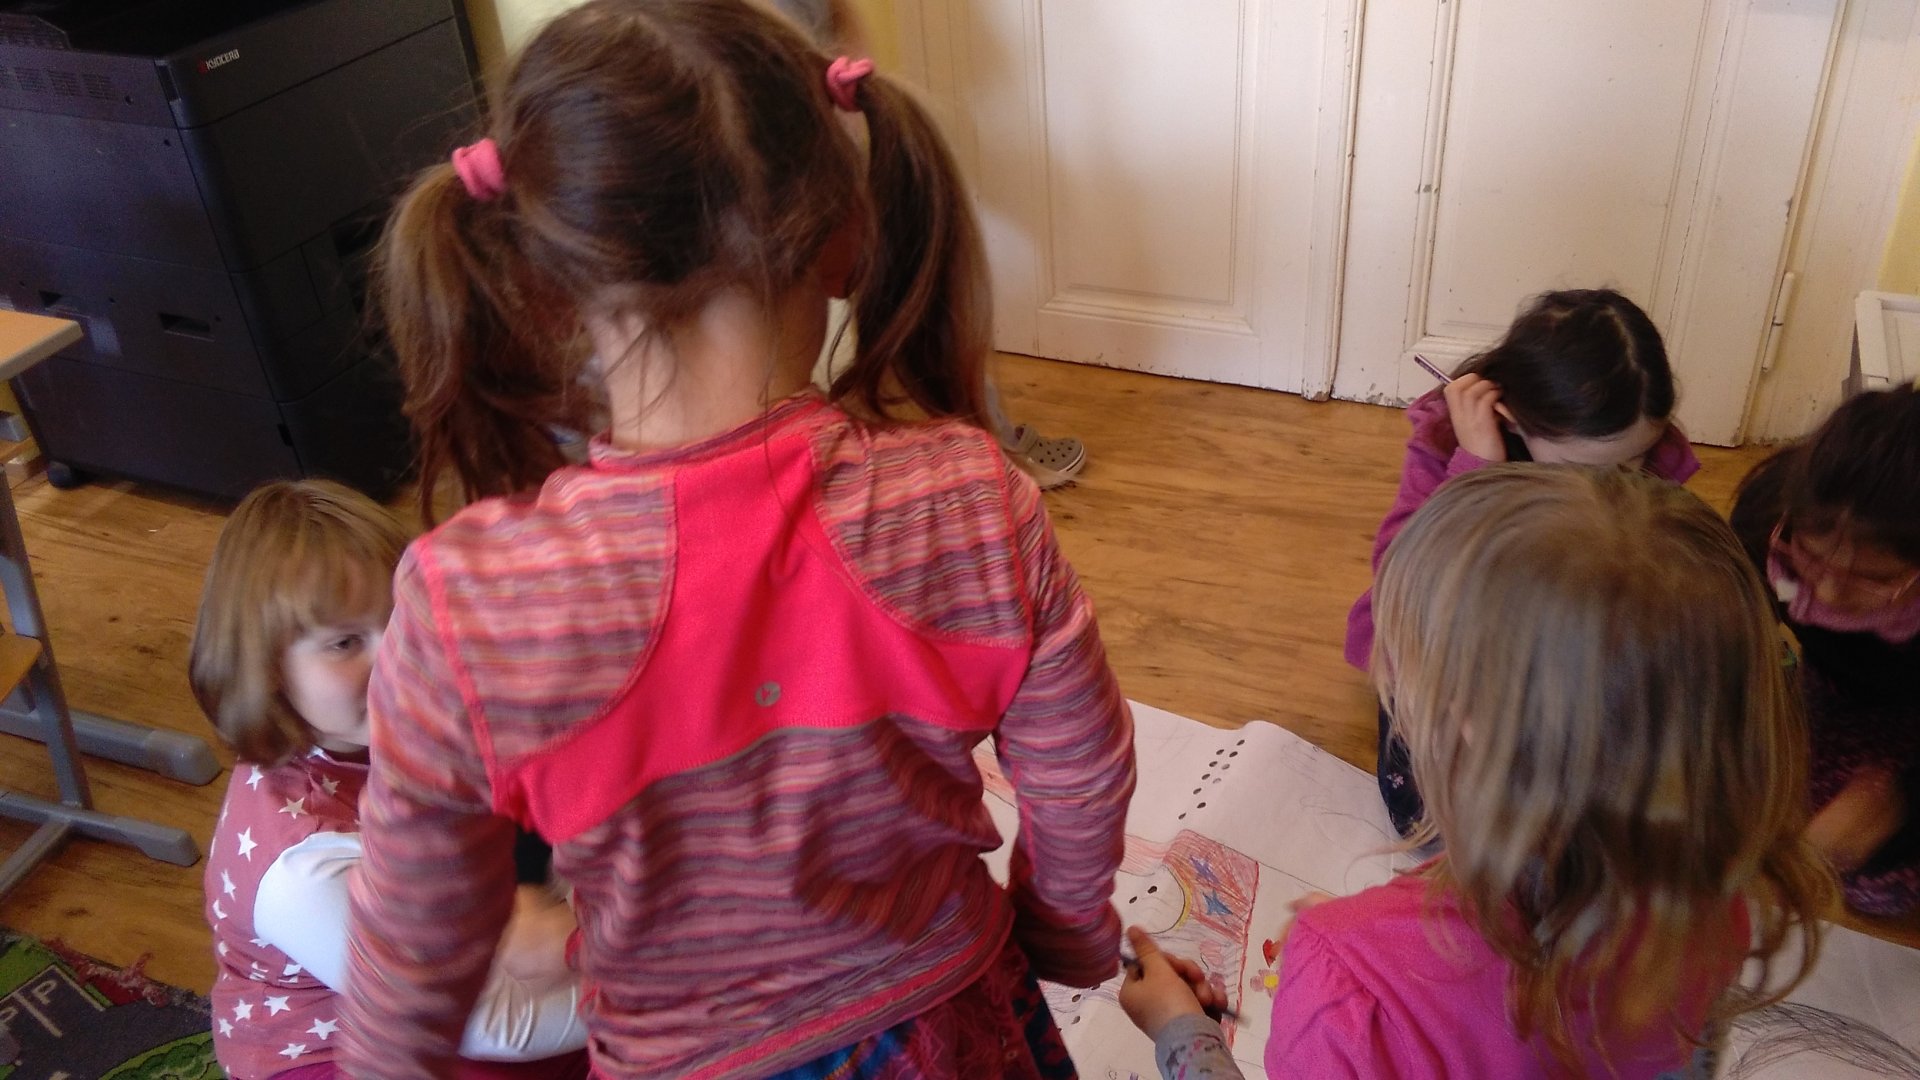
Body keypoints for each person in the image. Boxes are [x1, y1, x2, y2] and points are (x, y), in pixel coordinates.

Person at [338, 2, 1135, 1077]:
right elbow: (1082, 777)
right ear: (847, 236)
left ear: (541, 279)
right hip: (956, 1023)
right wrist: (1065, 934)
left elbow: (410, 950)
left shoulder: (460, 604)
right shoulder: (974, 499)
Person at [1124, 468, 1834, 1078]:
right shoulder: (1718, 898)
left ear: (1460, 723)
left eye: (1404, 670)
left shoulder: (1348, 984)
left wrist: (1183, 1034)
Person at [191, 480, 588, 1079]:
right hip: (352, 1051)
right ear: (267, 670)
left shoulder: (391, 725)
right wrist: (660, 989)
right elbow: (492, 1025)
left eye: (405, 617)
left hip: (450, 969)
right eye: (345, 642)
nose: (396, 655)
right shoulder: (300, 865)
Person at [1346, 288, 1700, 836]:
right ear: (1510, 419)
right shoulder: (1450, 441)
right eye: (1578, 467)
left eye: (1630, 465)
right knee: (1427, 814)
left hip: (1563, 648)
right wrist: (1476, 469)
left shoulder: (1642, 447)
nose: (1604, 487)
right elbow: (1400, 577)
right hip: (1456, 639)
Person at [1730, 383, 1920, 916]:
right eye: (1811, 558)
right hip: (1834, 689)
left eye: (1874, 578)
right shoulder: (1767, 520)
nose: (1831, 594)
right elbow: (1732, 637)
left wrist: (1900, 797)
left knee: (1877, 881)